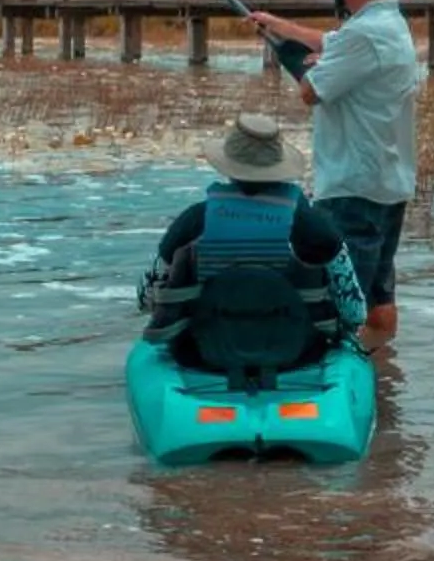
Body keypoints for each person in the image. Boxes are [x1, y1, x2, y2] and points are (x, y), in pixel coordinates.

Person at [246, 0, 422, 350]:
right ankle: (379, 373)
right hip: (389, 187)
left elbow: (311, 91)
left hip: (352, 190)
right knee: (380, 298)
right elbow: (334, 43)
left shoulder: (362, 34)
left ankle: (334, 382)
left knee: (338, 306)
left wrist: (296, 60)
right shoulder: (389, 23)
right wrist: (277, 27)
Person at [137, 113, 367, 382]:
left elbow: (147, 299)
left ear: (229, 167)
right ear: (279, 168)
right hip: (300, 356)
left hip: (202, 356)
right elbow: (355, 312)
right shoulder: (316, 228)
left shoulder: (193, 221)